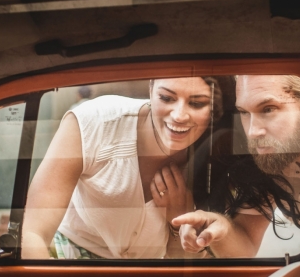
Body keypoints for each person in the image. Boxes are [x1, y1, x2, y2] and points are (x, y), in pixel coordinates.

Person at [20, 77, 222, 259]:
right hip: (70, 267)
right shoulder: (94, 122)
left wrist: (177, 223)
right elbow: (32, 233)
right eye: (167, 98)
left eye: (196, 103)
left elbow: (184, 270)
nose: (179, 115)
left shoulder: (217, 155)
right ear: (150, 88)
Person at [170, 75, 300, 258]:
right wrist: (219, 228)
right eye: (244, 113)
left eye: (268, 109)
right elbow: (245, 244)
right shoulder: (273, 162)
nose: (253, 131)